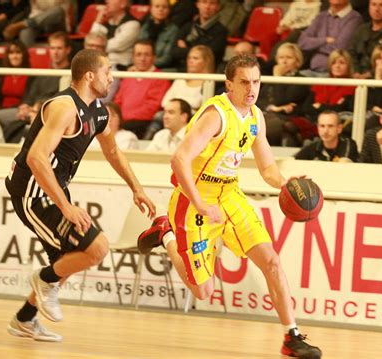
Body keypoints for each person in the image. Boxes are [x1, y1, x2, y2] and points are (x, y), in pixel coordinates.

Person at [137, 54, 322, 359]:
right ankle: (165, 232)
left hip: (230, 195)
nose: (252, 89)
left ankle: (292, 337)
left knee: (272, 262)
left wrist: (285, 183)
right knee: (203, 292)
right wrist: (200, 203)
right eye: (245, 82)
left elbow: (267, 169)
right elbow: (179, 160)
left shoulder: (256, 117)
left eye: (257, 81)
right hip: (193, 200)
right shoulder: (216, 115)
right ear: (229, 85)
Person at [5, 49, 156, 341]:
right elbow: (37, 158)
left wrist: (137, 189)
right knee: (96, 247)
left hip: (53, 188)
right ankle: (44, 280)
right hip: (32, 190)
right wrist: (66, 207)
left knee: (71, 259)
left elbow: (113, 151)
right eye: (108, 72)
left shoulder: (99, 111)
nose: (112, 78)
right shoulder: (64, 107)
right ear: (89, 75)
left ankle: (24, 318)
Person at [113, 40, 171, 138]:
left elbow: (152, 108)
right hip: (122, 121)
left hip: (140, 124)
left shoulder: (161, 78)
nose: (142, 59)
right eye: (138, 55)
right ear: (133, 57)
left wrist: (122, 118)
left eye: (147, 55)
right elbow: (118, 101)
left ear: (154, 57)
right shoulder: (128, 76)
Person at [297, 0, 363, 76]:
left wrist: (313, 45)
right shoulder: (321, 16)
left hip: (333, 74)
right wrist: (325, 40)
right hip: (311, 70)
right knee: (288, 81)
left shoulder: (354, 18)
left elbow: (339, 48)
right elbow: (302, 42)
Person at [349, 0, 382, 79]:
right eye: (373, 5)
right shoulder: (361, 30)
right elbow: (352, 54)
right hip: (358, 79)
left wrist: (370, 74)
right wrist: (356, 72)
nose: (377, 9)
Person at [170, 0, 227, 72]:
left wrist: (186, 48)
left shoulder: (221, 31)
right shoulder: (187, 26)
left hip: (208, 73)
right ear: (197, 4)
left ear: (218, 7)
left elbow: (209, 55)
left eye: (212, 3)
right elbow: (174, 52)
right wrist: (199, 49)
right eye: (204, 2)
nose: (207, 7)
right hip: (182, 69)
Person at [90, 0, 141, 69]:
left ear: (123, 3)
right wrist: (98, 22)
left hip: (120, 68)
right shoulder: (105, 23)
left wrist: (96, 47)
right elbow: (91, 41)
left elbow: (115, 45)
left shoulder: (133, 24)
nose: (107, 1)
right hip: (100, 65)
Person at [294, 110, 359, 162]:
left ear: (339, 128)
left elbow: (343, 166)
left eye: (330, 126)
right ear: (318, 128)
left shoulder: (348, 144)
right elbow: (293, 162)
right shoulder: (313, 146)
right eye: (322, 126)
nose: (325, 131)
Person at [138, 0, 179, 69]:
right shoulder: (144, 27)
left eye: (164, 7)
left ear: (169, 10)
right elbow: (138, 50)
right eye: (157, 6)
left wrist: (148, 65)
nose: (160, 9)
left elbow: (167, 58)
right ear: (151, 9)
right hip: (143, 66)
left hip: (163, 69)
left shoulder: (174, 30)